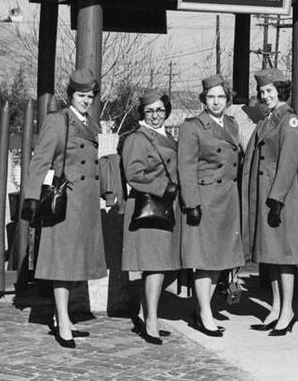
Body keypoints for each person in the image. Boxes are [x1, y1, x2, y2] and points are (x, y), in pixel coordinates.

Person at [22, 68, 107, 348]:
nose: (86, 100)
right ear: (71, 95)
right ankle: (62, 321)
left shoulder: (93, 125)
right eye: (81, 95)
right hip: (65, 203)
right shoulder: (58, 121)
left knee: (76, 265)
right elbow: (40, 161)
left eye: (90, 96)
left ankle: (64, 318)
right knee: (63, 265)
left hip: (87, 205)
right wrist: (32, 198)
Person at [178, 74, 246, 338]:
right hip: (205, 199)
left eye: (220, 97)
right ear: (203, 100)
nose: (216, 102)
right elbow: (186, 167)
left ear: (227, 100)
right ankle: (205, 313)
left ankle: (202, 309)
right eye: (211, 97)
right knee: (204, 259)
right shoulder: (192, 126)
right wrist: (192, 203)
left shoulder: (232, 124)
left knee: (219, 259)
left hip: (228, 198)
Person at [242, 68, 298, 336]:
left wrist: (277, 199)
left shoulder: (288, 120)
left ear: (281, 91)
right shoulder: (267, 120)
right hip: (267, 195)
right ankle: (277, 307)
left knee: (284, 256)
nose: (265, 96)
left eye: (269, 91)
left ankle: (287, 310)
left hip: (280, 197)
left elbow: (289, 163)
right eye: (262, 92)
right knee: (272, 256)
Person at [120, 89, 180, 345]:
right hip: (150, 207)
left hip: (168, 208)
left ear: (166, 110)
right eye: (149, 111)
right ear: (142, 114)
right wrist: (161, 187)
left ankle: (147, 316)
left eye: (159, 110)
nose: (155, 115)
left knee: (163, 266)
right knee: (155, 266)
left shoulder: (167, 136)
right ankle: (152, 322)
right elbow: (133, 175)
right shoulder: (138, 138)